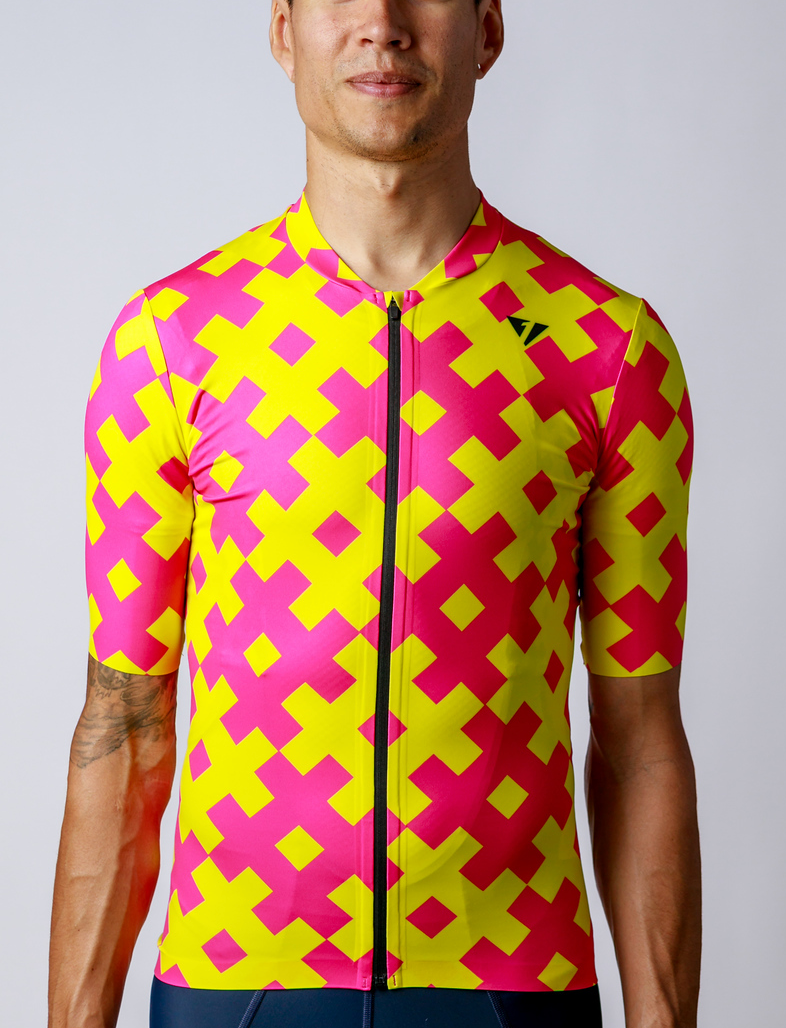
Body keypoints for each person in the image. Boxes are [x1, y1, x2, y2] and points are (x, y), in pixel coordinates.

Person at [48, 2, 701, 1026]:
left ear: (487, 30)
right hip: (236, 987)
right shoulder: (172, 344)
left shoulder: (607, 348)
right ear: (284, 32)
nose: (382, 24)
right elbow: (124, 723)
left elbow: (641, 736)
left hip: (510, 983)